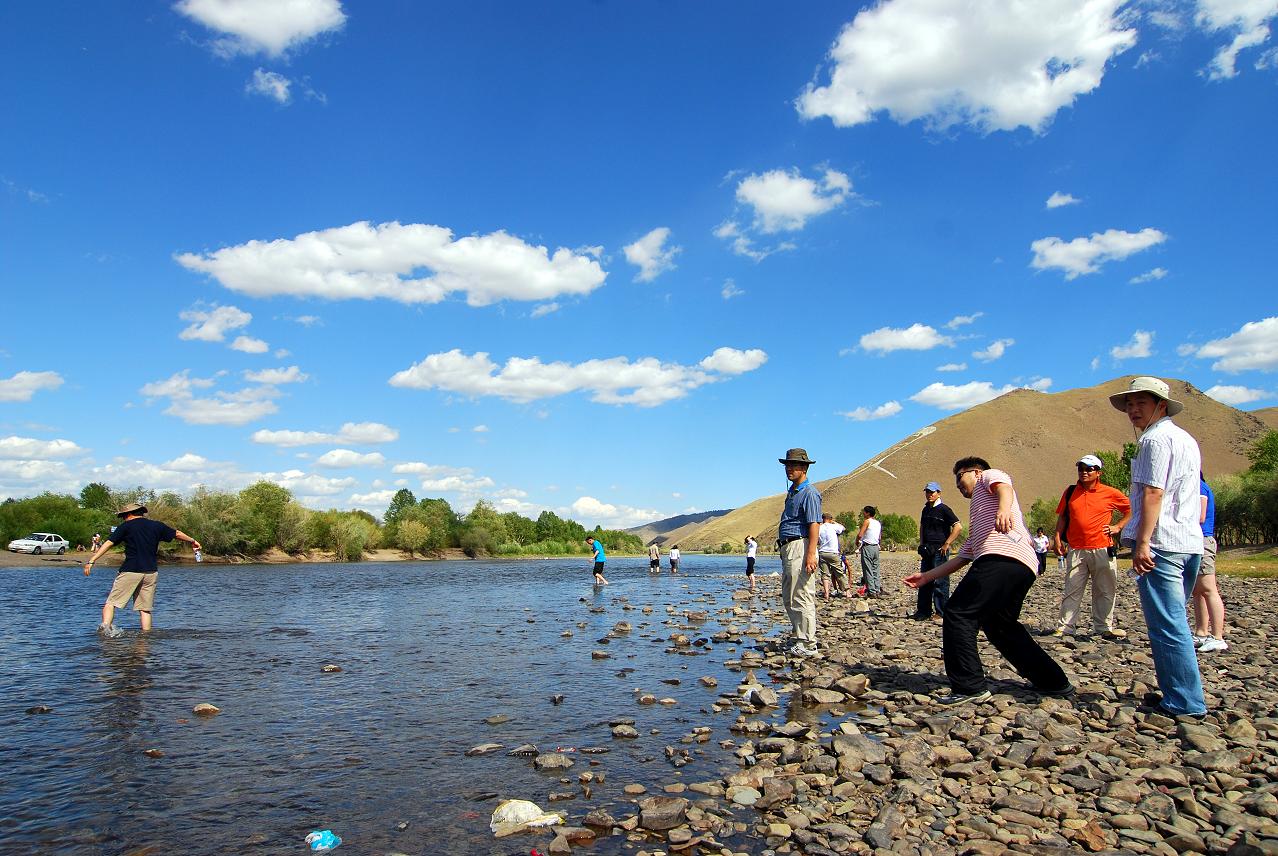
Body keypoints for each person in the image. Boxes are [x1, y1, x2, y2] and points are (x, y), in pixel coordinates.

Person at [904, 458, 1073, 706]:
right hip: (1023, 565)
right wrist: (928, 576)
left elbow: (1004, 486)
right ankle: (1054, 682)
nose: (958, 484)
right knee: (999, 625)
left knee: (958, 612)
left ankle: (969, 687)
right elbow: (966, 554)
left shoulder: (988, 477)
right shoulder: (980, 515)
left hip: (1001, 556)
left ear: (975, 472)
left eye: (960, 477)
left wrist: (1004, 509)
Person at [1110, 376, 1207, 717]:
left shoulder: (1154, 440)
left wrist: (1144, 542)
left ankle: (1183, 702)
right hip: (1188, 541)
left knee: (1167, 624)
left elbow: (1153, 492)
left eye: (1141, 403)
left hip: (1162, 542)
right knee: (1175, 619)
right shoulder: (1185, 439)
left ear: (1161, 405)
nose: (1133, 410)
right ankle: (1182, 693)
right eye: (1130, 405)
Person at [83, 502, 201, 637]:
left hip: (131, 570)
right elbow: (177, 533)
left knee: (110, 603)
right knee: (145, 609)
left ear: (128, 514)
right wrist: (193, 541)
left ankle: (104, 635)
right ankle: (146, 638)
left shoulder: (125, 526)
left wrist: (92, 560)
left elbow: (109, 543)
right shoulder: (157, 526)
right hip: (151, 572)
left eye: (123, 516)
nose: (123, 519)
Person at [1050, 454, 1132, 640]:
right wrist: (1056, 536)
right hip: (1077, 548)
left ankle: (1103, 627)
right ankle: (1065, 628)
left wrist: (1118, 526)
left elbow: (1131, 509)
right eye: (1081, 468)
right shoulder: (1071, 492)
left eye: (1089, 469)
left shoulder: (1110, 492)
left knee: (1104, 589)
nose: (1084, 472)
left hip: (1102, 547)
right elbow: (1063, 516)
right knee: (1072, 588)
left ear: (1098, 472)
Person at [777, 448, 822, 657]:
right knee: (789, 595)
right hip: (788, 547)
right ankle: (798, 636)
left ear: (804, 468)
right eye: (787, 465)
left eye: (793, 465)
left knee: (802, 595)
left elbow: (814, 524)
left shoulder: (810, 493)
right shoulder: (792, 492)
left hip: (800, 546)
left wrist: (811, 554)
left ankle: (808, 643)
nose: (789, 469)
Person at [915, 481, 962, 621]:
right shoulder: (926, 509)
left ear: (938, 493)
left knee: (940, 581)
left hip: (939, 550)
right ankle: (923, 611)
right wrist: (922, 543)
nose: (929, 494)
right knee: (924, 580)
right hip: (927, 549)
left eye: (932, 492)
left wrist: (947, 543)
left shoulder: (944, 509)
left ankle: (941, 612)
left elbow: (958, 527)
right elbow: (922, 527)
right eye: (927, 492)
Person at [1192, 473, 1227, 652]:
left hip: (1202, 540)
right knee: (1198, 591)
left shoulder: (1198, 486)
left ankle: (1218, 636)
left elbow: (1200, 516)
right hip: (1195, 541)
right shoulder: (1196, 485)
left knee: (1208, 588)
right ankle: (1201, 632)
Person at [817, 512, 848, 599]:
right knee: (839, 572)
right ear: (830, 519)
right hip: (833, 552)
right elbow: (843, 528)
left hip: (822, 552)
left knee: (824, 574)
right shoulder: (833, 526)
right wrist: (834, 522)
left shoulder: (819, 527)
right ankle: (847, 591)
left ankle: (826, 593)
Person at [855, 506, 882, 597]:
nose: (863, 513)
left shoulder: (867, 521)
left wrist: (857, 542)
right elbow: (879, 537)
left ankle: (871, 591)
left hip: (868, 546)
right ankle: (877, 589)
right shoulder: (878, 523)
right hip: (876, 547)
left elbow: (860, 534)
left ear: (868, 513)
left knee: (868, 569)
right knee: (875, 569)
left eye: (864, 512)